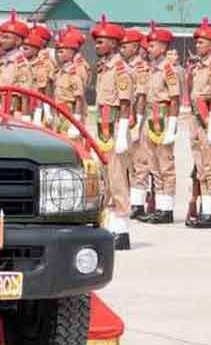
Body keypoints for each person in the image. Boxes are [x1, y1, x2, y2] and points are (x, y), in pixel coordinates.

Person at [91, 16, 135, 250]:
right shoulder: (104, 67)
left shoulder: (121, 70)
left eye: (101, 42)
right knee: (105, 178)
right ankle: (111, 224)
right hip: (104, 127)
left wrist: (121, 134)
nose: (97, 46)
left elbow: (126, 104)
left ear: (114, 44)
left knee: (118, 178)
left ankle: (122, 229)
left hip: (116, 127)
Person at [184, 18, 211, 229]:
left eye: (201, 43)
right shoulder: (199, 66)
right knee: (200, 165)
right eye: (197, 42)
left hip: (208, 118)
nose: (197, 46)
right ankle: (206, 208)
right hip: (196, 119)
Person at [140, 23, 181, 224]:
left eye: (153, 45)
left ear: (163, 48)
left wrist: (173, 124)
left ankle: (167, 209)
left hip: (163, 117)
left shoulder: (168, 69)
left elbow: (175, 98)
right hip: (151, 117)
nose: (149, 48)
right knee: (153, 164)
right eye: (149, 45)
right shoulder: (150, 69)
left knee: (165, 164)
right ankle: (159, 206)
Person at [120, 28, 152, 219]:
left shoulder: (140, 68)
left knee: (140, 162)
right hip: (128, 117)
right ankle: (134, 200)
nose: (122, 49)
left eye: (126, 46)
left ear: (135, 47)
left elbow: (140, 96)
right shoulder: (126, 67)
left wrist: (137, 122)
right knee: (129, 162)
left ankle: (139, 204)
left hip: (138, 119)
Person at [51, 28, 87, 136]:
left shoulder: (74, 72)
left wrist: (76, 122)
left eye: (62, 51)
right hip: (60, 112)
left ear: (72, 52)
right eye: (58, 51)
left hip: (70, 112)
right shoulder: (61, 71)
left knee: (72, 143)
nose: (59, 54)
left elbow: (79, 98)